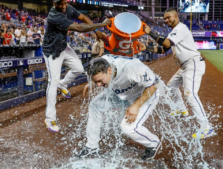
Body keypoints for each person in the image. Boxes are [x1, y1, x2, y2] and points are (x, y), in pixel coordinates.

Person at [42, 0, 111, 132]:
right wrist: (101, 25)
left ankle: (63, 85)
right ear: (53, 3)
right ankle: (50, 118)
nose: (63, 6)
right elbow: (78, 27)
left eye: (64, 3)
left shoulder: (67, 7)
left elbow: (83, 17)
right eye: (59, 4)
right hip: (52, 51)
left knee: (79, 69)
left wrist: (96, 31)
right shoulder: (54, 15)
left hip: (63, 46)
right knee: (53, 82)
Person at [144, 8, 213, 139]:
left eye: (168, 17)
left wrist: (150, 33)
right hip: (185, 66)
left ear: (176, 16)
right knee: (171, 86)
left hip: (193, 64)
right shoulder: (174, 32)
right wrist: (145, 47)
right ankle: (182, 109)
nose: (166, 20)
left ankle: (206, 127)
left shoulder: (181, 28)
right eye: (165, 18)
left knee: (190, 94)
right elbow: (162, 49)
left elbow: (165, 42)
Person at [76, 55, 161, 160]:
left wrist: (136, 105)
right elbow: (99, 78)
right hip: (123, 94)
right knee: (95, 105)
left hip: (144, 96)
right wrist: (95, 82)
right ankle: (91, 145)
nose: (98, 85)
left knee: (128, 128)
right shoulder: (103, 62)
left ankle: (153, 142)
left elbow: (154, 85)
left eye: (100, 81)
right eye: (96, 81)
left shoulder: (132, 69)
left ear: (109, 70)